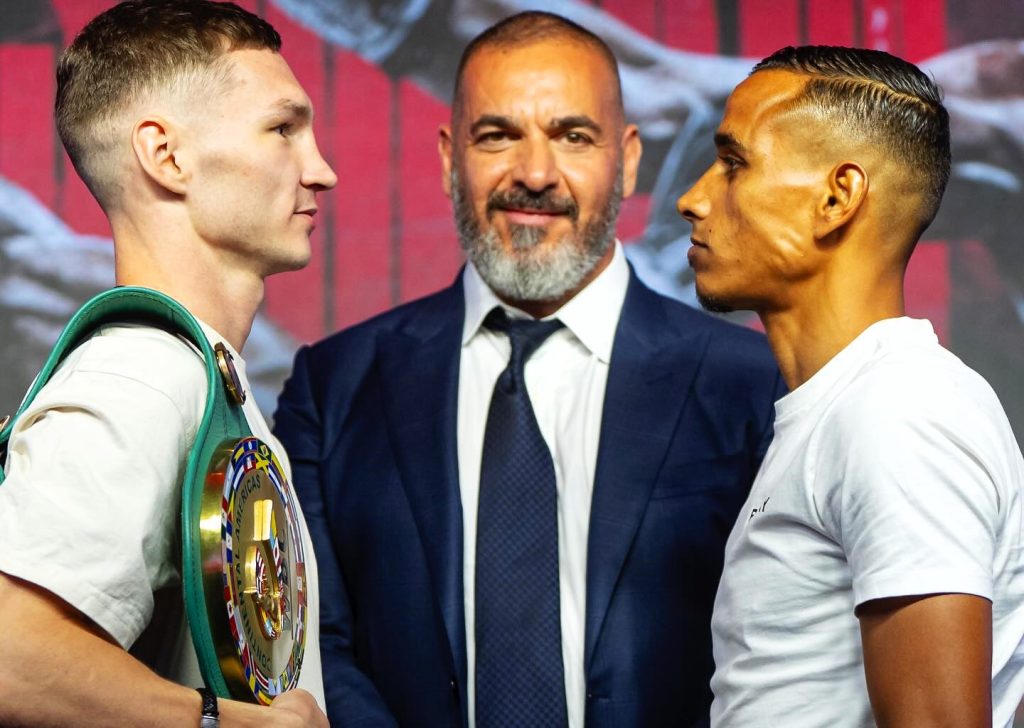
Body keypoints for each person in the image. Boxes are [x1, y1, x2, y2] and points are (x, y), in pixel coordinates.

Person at [273, 11, 782, 728]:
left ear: (628, 159)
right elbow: (314, 642)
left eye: (573, 136)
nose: (535, 174)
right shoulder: (333, 387)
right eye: (497, 136)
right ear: (449, 158)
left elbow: (786, 650)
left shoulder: (753, 385)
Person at [0, 1, 337, 726]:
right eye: (282, 130)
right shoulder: (141, 378)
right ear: (166, 156)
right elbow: (8, 656)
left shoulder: (193, 376)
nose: (322, 171)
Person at [676, 45, 1024, 726]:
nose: (693, 199)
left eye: (734, 163)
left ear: (836, 198)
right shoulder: (853, 407)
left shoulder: (898, 413)